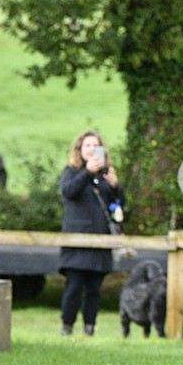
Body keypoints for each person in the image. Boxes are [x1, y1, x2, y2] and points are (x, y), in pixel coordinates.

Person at [59, 131, 126, 336]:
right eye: (86, 145)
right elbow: (68, 192)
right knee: (74, 287)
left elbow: (119, 207)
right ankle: (67, 326)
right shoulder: (71, 172)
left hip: (100, 240)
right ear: (79, 149)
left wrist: (116, 187)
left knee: (94, 289)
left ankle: (90, 327)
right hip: (77, 240)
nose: (90, 149)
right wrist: (87, 172)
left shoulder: (105, 176)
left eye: (95, 146)